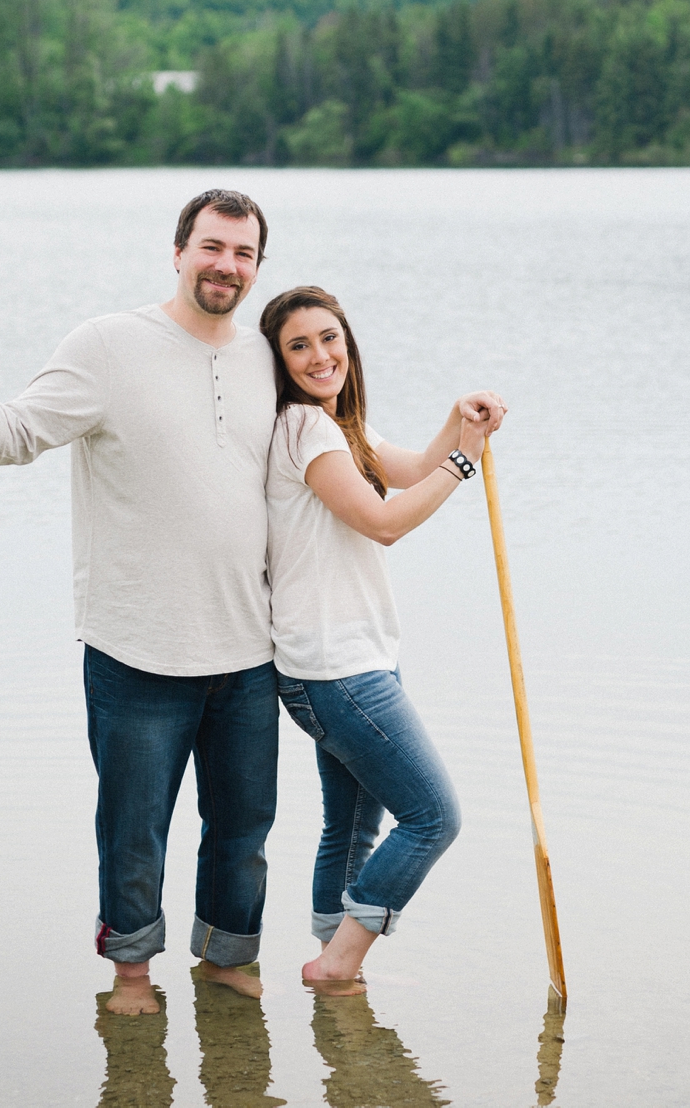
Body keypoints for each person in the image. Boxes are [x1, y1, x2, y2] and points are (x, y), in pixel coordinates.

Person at [0, 189, 281, 1016]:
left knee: (244, 836)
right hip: (136, 652)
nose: (227, 265)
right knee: (132, 834)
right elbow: (11, 437)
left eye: (244, 253)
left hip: (250, 655)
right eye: (212, 247)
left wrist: (449, 453)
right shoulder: (109, 345)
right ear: (178, 251)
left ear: (258, 267)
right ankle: (133, 976)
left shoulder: (265, 359)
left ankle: (226, 966)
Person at [257, 285, 506, 995]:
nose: (319, 355)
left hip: (354, 659)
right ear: (279, 360)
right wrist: (464, 466)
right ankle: (339, 962)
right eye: (298, 344)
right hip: (335, 670)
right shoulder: (306, 429)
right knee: (432, 816)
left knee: (353, 824)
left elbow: (407, 469)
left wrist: (461, 428)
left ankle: (328, 964)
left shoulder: (339, 430)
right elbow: (385, 519)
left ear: (348, 343)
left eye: (329, 337)